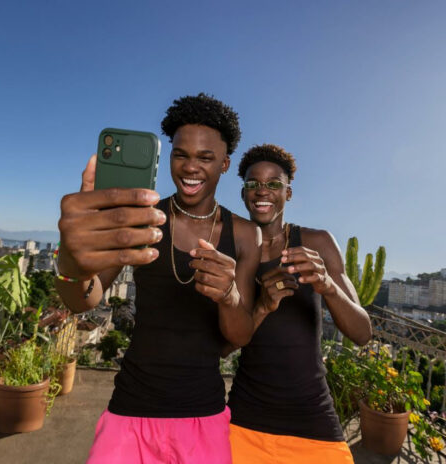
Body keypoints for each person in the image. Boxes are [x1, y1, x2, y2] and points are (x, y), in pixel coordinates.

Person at [55, 93, 260, 464]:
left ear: (225, 164)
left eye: (205, 157)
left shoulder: (246, 234)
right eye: (181, 155)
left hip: (203, 414)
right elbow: (82, 299)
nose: (190, 167)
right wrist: (70, 263)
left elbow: (241, 335)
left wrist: (228, 295)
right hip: (131, 409)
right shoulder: (141, 217)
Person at [227, 144, 372, 464]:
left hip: (313, 418)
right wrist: (262, 306)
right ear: (244, 193)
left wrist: (328, 286)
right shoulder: (233, 251)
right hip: (246, 417)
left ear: (288, 193)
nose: (262, 191)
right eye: (253, 183)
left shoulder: (317, 243)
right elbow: (222, 347)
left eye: (273, 183)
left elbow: (362, 333)